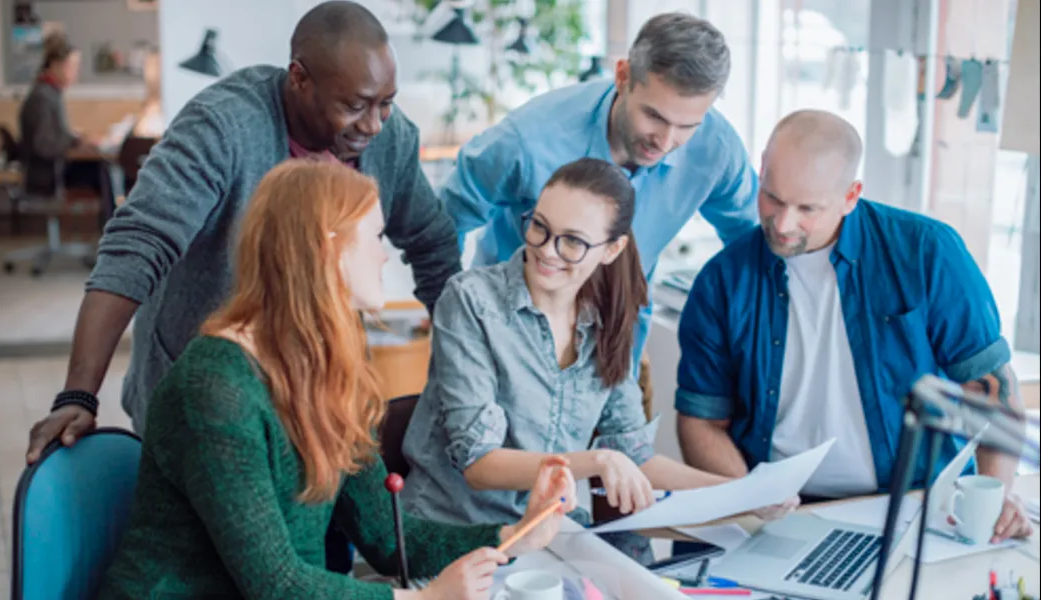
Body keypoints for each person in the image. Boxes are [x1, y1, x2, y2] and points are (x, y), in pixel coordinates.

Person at [98, 160, 578, 600]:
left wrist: (516, 534)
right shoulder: (214, 388)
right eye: (375, 237)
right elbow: (277, 586)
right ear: (328, 250)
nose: (385, 256)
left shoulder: (325, 365)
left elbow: (390, 541)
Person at [25, 1, 459, 453]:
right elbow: (136, 248)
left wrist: (464, 368)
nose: (372, 124)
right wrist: (79, 393)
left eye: (385, 104)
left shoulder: (390, 138)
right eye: (353, 106)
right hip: (204, 396)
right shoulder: (222, 127)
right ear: (298, 78)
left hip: (316, 392)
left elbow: (434, 244)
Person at [402, 158, 795, 565]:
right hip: (457, 541)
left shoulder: (607, 320)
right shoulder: (471, 301)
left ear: (612, 249)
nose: (547, 251)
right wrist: (599, 462)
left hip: (555, 541)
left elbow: (636, 456)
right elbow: (478, 463)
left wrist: (746, 496)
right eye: (540, 226)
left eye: (572, 241)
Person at [674, 109, 1033, 543]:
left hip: (916, 507)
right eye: (772, 198)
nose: (784, 224)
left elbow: (993, 392)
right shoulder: (722, 281)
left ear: (851, 195)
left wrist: (994, 495)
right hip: (780, 515)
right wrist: (749, 499)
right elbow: (701, 420)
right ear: (761, 174)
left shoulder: (926, 253)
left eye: (808, 208)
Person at [440, 12, 760, 371]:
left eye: (686, 126)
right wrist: (454, 326)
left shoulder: (715, 148)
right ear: (623, 77)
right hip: (504, 344)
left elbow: (752, 240)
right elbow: (443, 225)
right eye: (654, 116)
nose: (666, 141)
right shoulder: (527, 140)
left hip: (616, 351)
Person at [18, 32, 113, 211]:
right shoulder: (43, 97)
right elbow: (44, 144)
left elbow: (54, 134)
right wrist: (74, 141)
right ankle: (111, 229)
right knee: (102, 170)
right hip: (49, 174)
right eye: (72, 66)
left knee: (102, 167)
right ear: (55, 65)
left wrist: (76, 138)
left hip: (53, 167)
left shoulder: (50, 93)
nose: (75, 74)